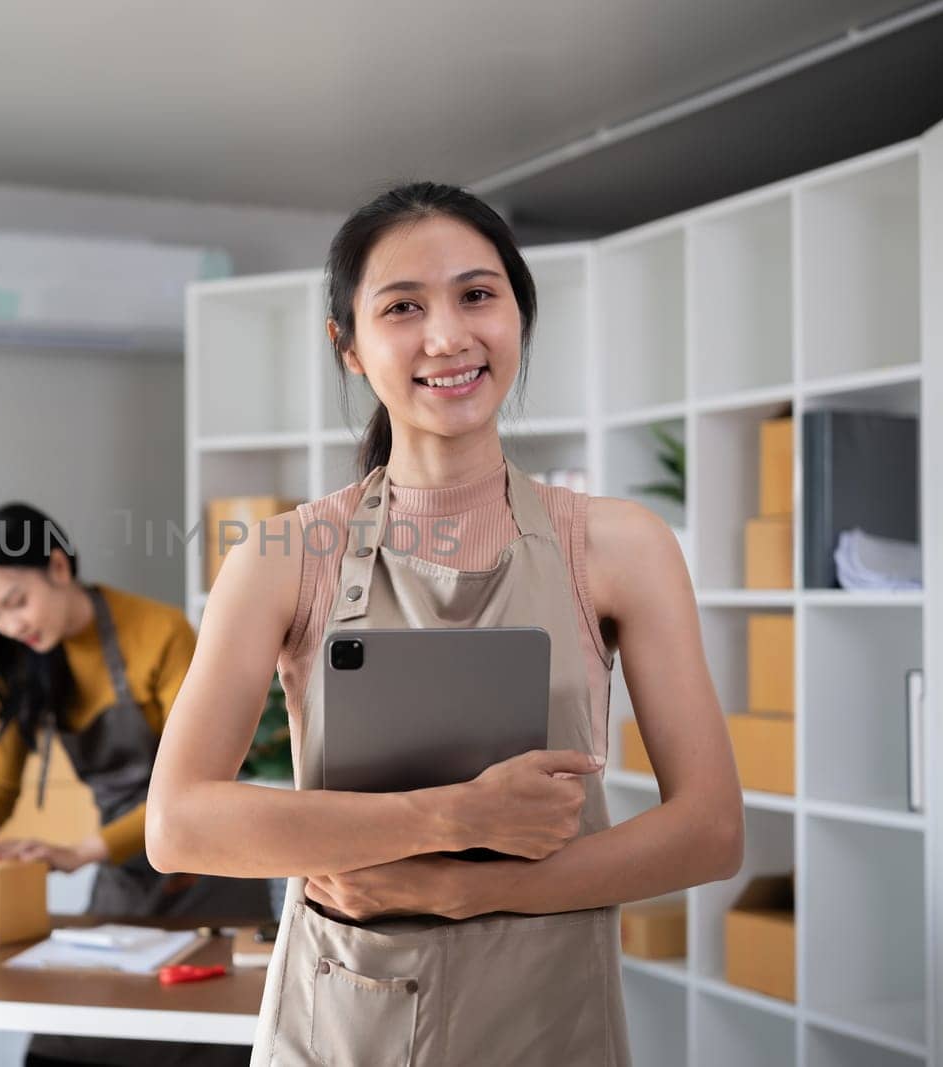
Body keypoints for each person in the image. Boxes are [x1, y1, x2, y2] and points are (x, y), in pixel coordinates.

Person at [145, 182, 745, 1065]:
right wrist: (453, 815)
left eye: (477, 294)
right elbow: (180, 824)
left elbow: (710, 827)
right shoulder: (281, 557)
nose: (448, 335)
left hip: (553, 1017)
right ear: (346, 346)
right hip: (344, 1020)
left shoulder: (622, 547)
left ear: (518, 316)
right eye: (402, 307)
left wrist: (461, 890)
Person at [0, 501, 267, 1067]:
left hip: (211, 875)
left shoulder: (158, 632)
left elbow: (202, 777)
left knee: (208, 1035)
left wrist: (83, 851)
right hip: (123, 877)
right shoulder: (26, 657)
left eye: (16, 603)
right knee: (72, 1039)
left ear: (59, 567)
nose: (11, 626)